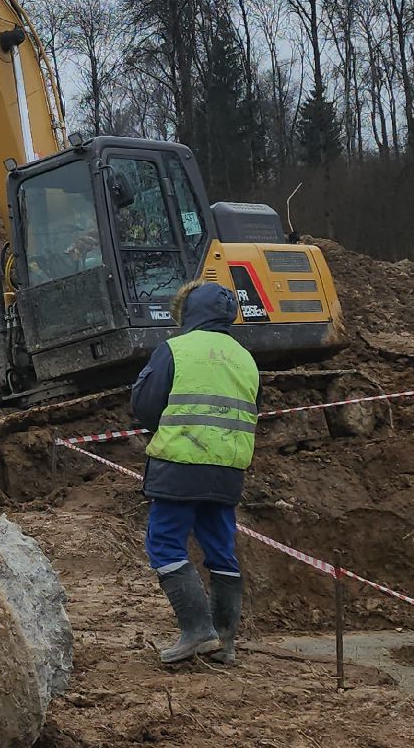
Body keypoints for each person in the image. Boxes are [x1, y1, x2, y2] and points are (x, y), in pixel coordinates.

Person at [130, 280, 260, 664]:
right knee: (221, 549)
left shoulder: (176, 350)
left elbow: (147, 405)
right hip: (227, 470)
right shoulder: (245, 358)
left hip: (180, 467)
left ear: (189, 313)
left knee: (164, 543)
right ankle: (224, 641)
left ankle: (197, 631)